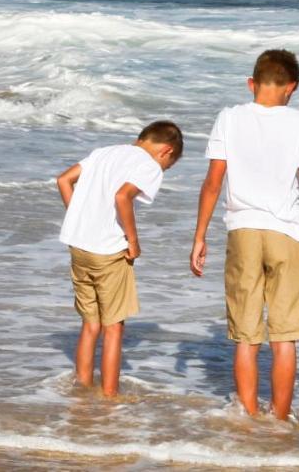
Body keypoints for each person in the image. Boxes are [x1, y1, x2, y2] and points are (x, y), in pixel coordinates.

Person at [190, 49, 299, 421]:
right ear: (293, 87)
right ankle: (279, 422)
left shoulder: (228, 118)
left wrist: (199, 236)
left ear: (251, 84)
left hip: (242, 231)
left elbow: (213, 182)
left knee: (246, 336)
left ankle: (247, 419)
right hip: (286, 234)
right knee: (284, 337)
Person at [56, 121, 184, 397]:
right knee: (113, 328)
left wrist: (80, 217)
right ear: (166, 151)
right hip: (108, 251)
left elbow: (63, 180)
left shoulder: (104, 152)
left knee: (91, 323)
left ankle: (83, 389)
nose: (163, 170)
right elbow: (122, 196)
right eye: (168, 166)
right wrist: (133, 241)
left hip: (79, 244)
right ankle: (110, 398)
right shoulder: (148, 165)